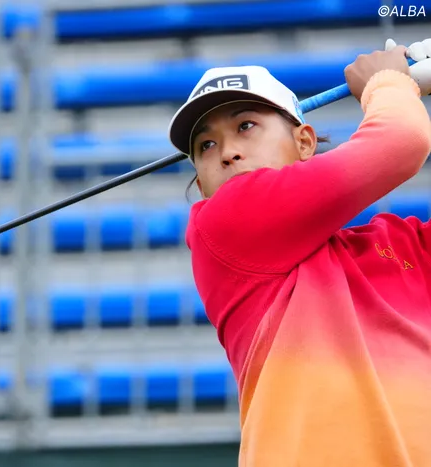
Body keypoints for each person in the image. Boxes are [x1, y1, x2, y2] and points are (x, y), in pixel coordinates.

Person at [168, 39, 431, 466]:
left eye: (245, 126)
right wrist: (387, 83)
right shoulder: (223, 221)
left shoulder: (403, 243)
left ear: (305, 142)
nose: (228, 152)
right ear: (201, 185)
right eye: (206, 146)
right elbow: (402, 141)